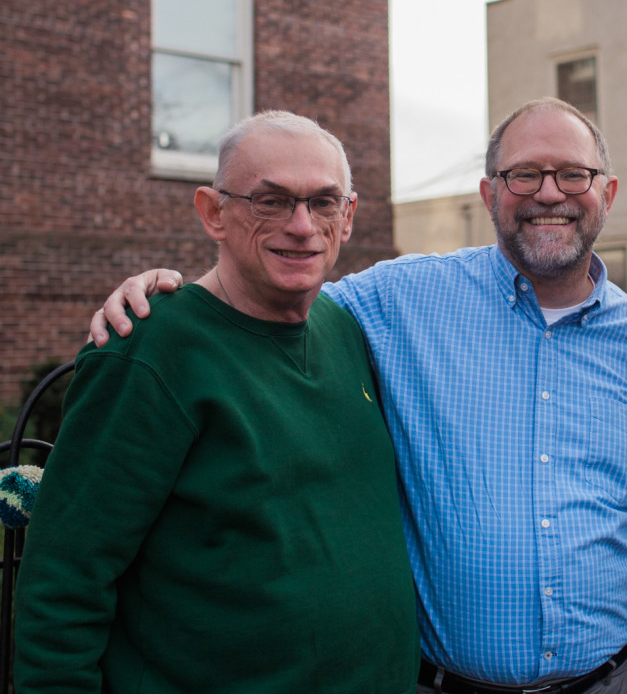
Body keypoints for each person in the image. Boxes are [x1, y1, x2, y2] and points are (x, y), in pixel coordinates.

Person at [90, 98, 627, 694]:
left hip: (611, 682)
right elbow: (272, 293)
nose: (550, 193)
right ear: (489, 193)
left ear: (608, 192)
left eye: (574, 173)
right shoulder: (400, 300)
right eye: (524, 174)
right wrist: (172, 297)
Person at [15, 111, 420, 694]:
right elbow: (64, 583)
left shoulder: (345, 327)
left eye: (323, 203)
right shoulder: (148, 353)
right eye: (271, 201)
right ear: (213, 213)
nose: (302, 226)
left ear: (349, 216)